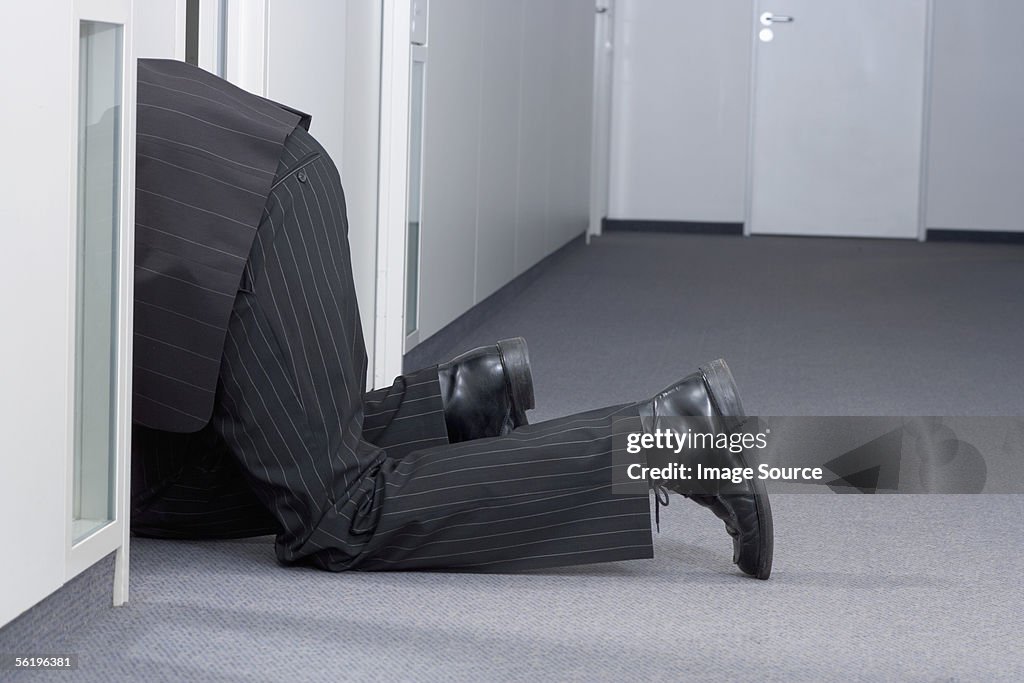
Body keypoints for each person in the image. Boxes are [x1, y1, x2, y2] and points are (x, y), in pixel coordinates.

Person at [130, 59, 773, 578]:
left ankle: (671, 440)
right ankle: (458, 409)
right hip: (263, 176)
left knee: (336, 515)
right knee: (155, 486)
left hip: (230, 222)